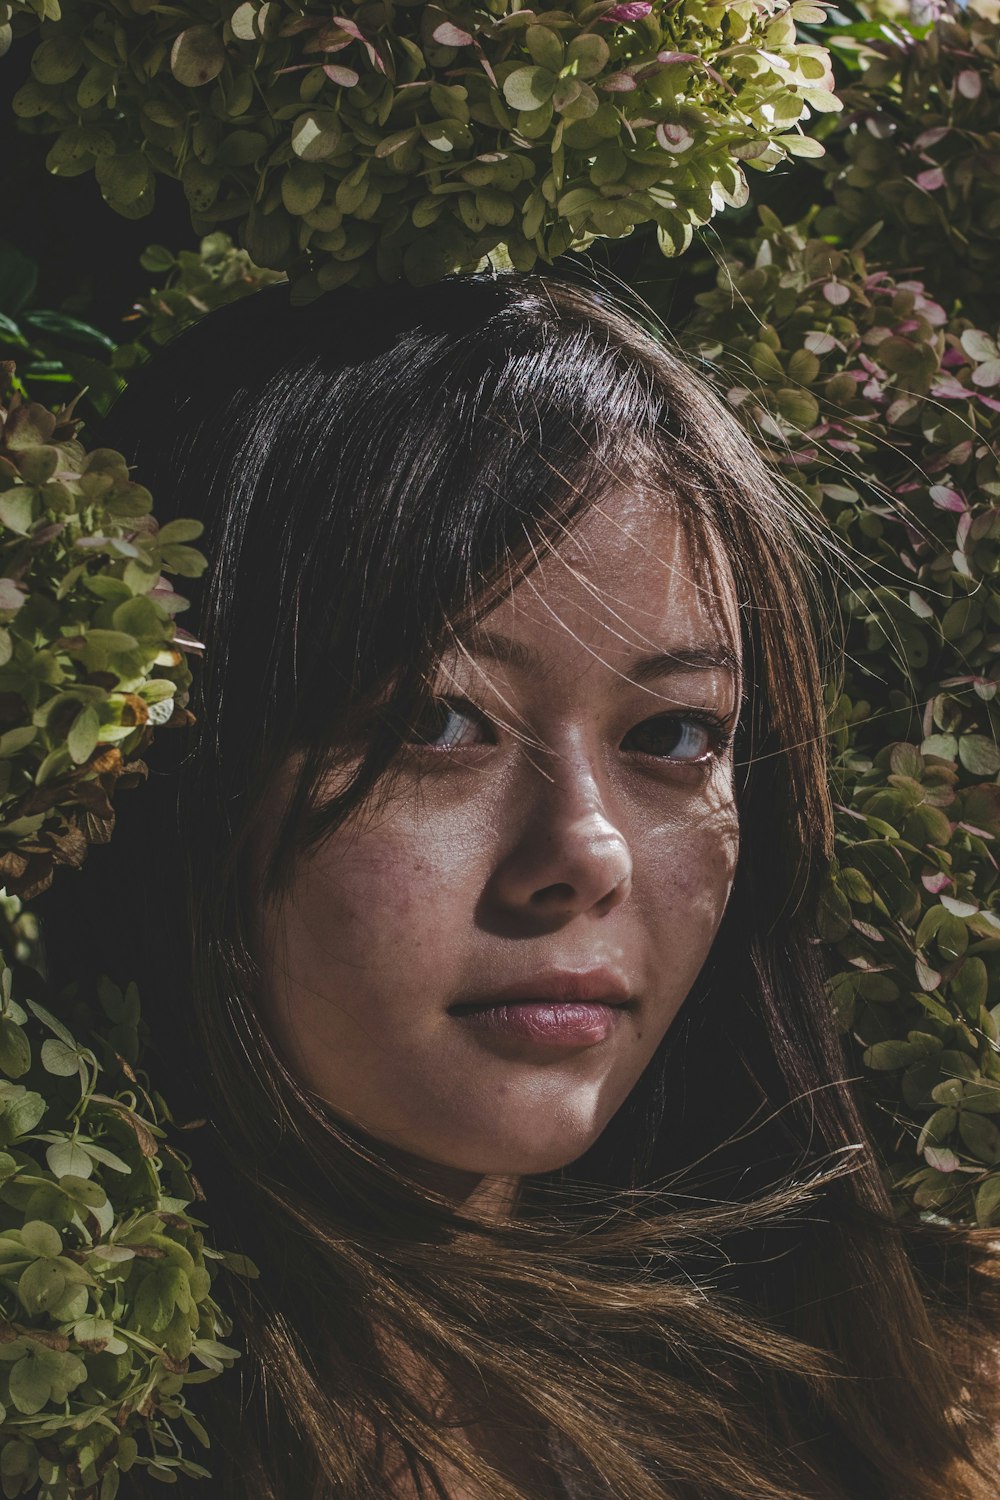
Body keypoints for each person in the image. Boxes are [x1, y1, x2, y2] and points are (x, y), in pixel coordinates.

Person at [36, 272, 1000, 1499]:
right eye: (438, 722)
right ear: (170, 760)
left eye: (674, 737)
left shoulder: (947, 1384)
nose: (587, 851)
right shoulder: (71, 1418)